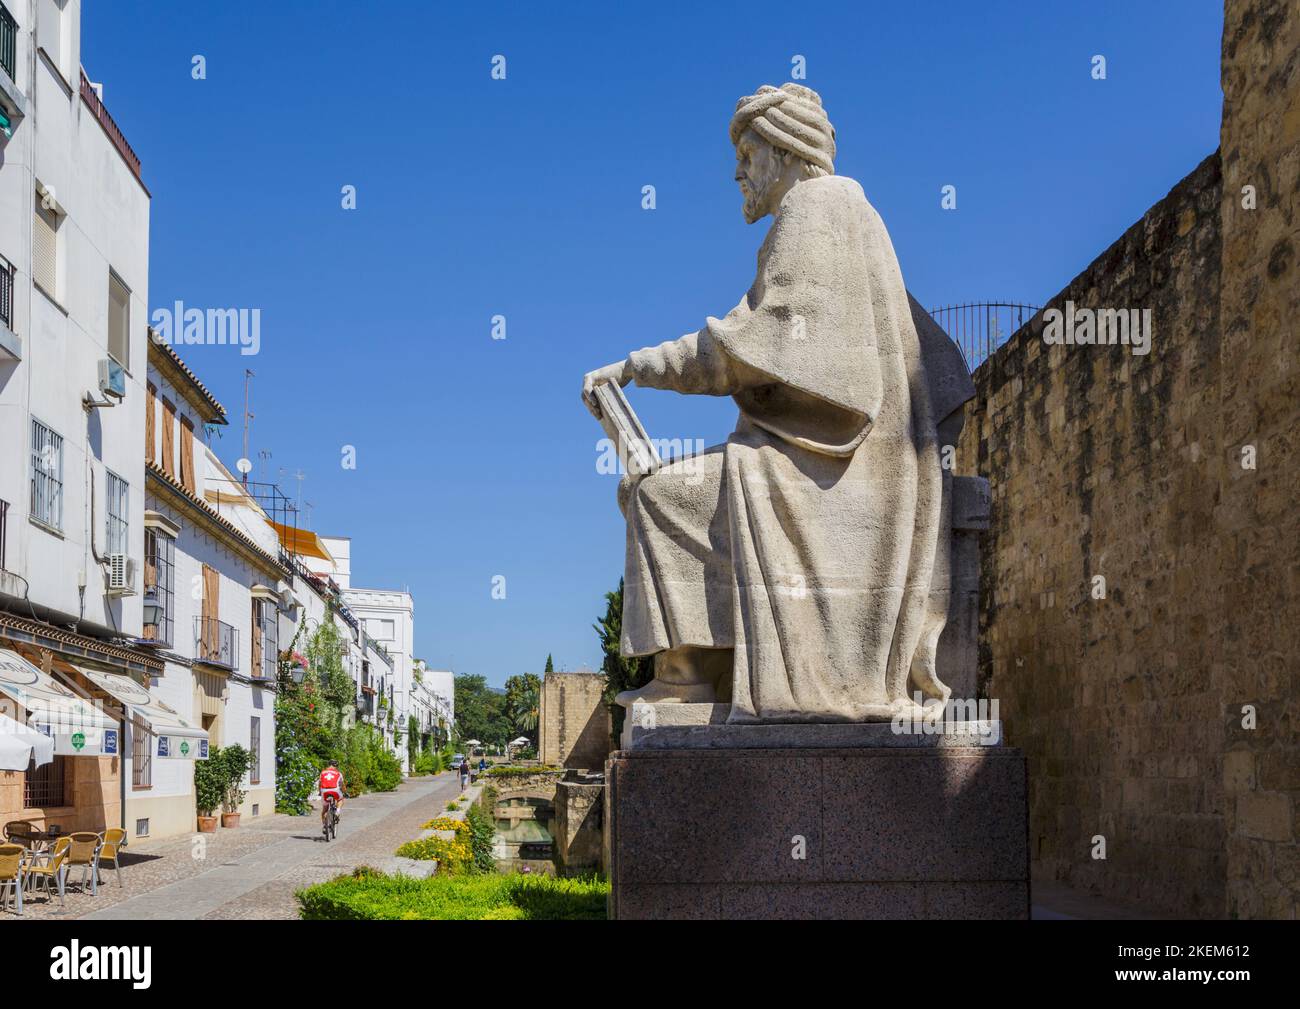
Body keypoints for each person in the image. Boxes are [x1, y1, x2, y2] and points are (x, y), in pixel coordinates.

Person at [319, 762, 344, 827]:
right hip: (335, 790)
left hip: (324, 791)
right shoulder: (339, 773)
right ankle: (337, 811)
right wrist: (343, 791)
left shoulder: (322, 773)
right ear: (336, 766)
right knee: (340, 799)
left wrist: (320, 792)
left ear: (328, 765)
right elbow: (341, 784)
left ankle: (325, 826)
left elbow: (320, 783)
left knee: (324, 809)